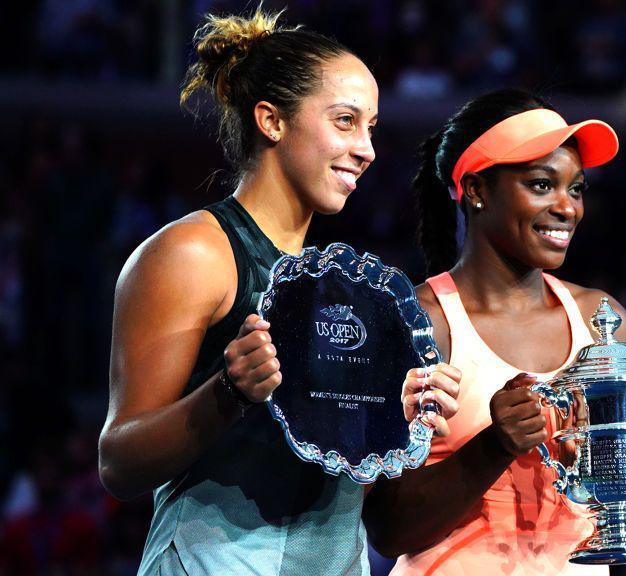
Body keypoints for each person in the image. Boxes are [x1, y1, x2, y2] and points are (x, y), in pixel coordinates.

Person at [97, 7, 459, 575]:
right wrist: (228, 394)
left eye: (371, 128)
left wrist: (394, 421)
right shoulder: (195, 253)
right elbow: (119, 463)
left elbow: (328, 476)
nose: (366, 148)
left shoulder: (343, 287)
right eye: (345, 121)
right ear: (271, 120)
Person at [363, 89, 626, 575]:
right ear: (476, 190)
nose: (567, 207)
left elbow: (611, 506)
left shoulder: (602, 319)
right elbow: (387, 529)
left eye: (576, 189)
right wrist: (493, 447)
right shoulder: (416, 322)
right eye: (541, 185)